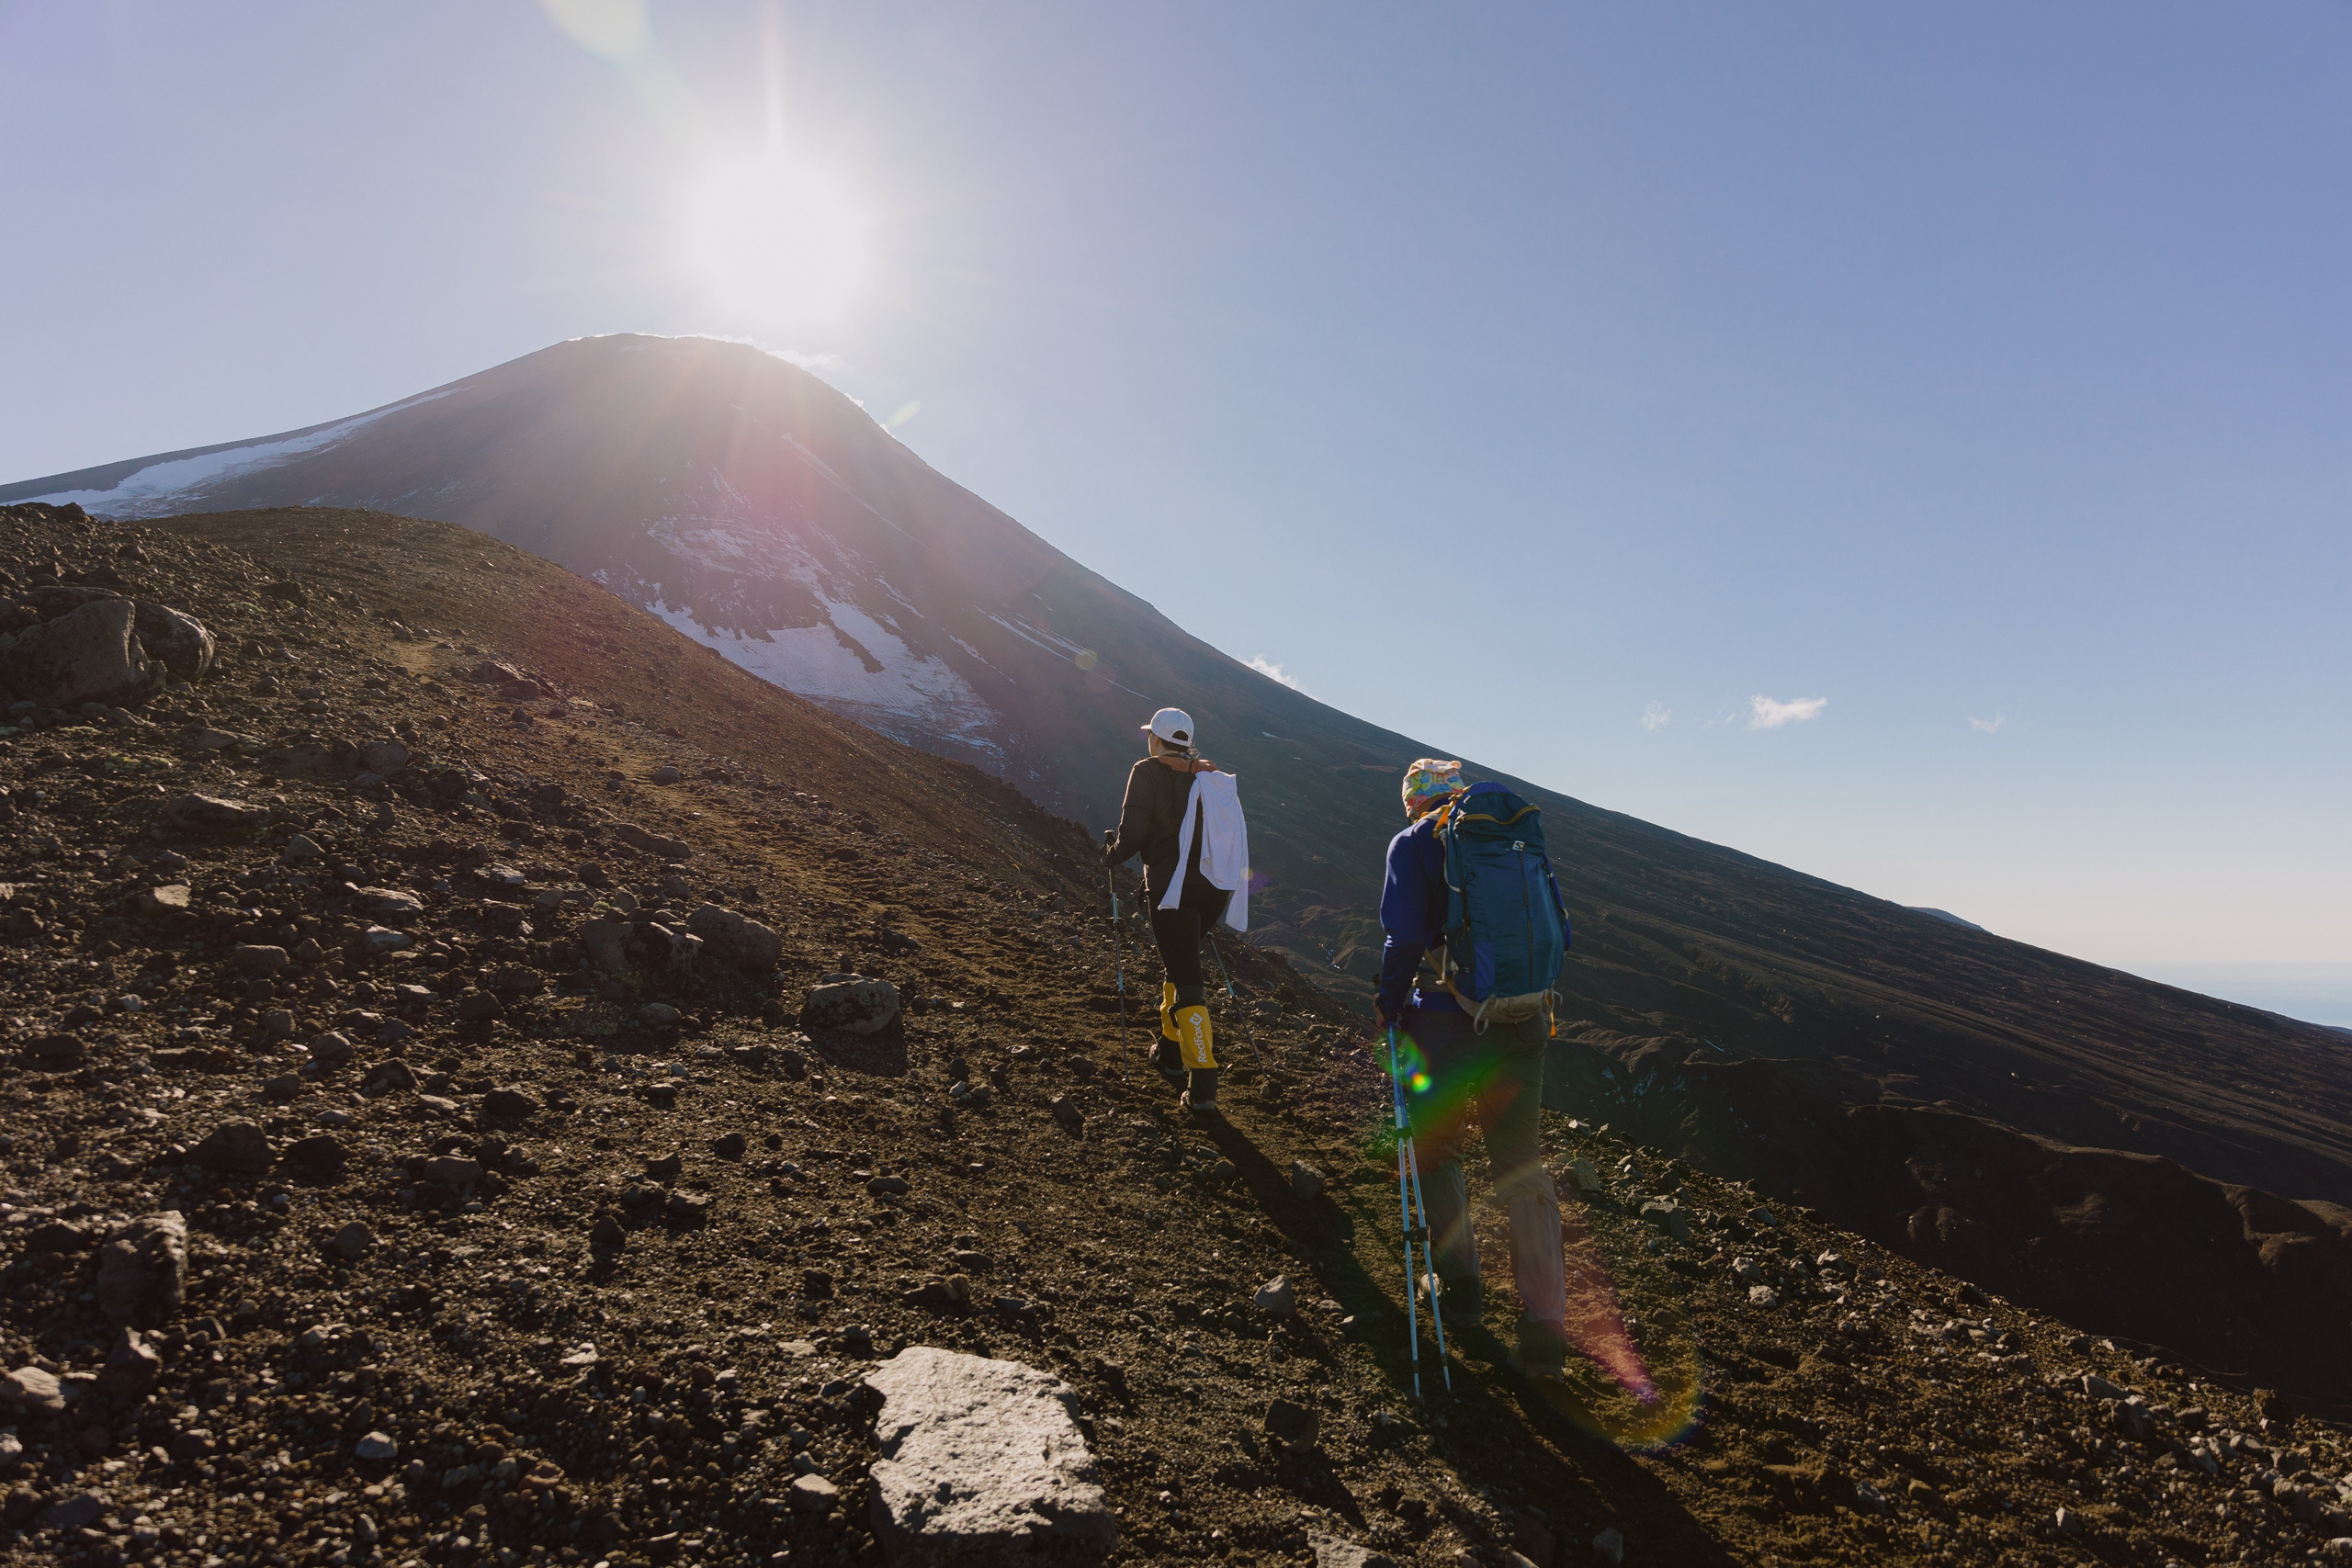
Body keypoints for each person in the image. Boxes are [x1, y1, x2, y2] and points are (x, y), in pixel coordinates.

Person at [1374, 758, 1574, 1376]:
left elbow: (1404, 937)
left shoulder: (1411, 843)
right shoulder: (1511, 837)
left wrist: (1388, 1001)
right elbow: (1562, 931)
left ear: (1413, 804)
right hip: (1523, 1021)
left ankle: (1460, 1292)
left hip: (1446, 1025)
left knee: (1436, 1150)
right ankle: (1545, 1331)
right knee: (1520, 1166)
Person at [1103, 706, 1249, 1113]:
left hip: (1172, 888)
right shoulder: (1209, 777)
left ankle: (1203, 1084)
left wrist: (1112, 856)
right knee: (1178, 964)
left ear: (1156, 739)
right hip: (1213, 889)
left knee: (1187, 980)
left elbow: (1133, 833)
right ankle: (1168, 1053)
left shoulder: (1146, 771)